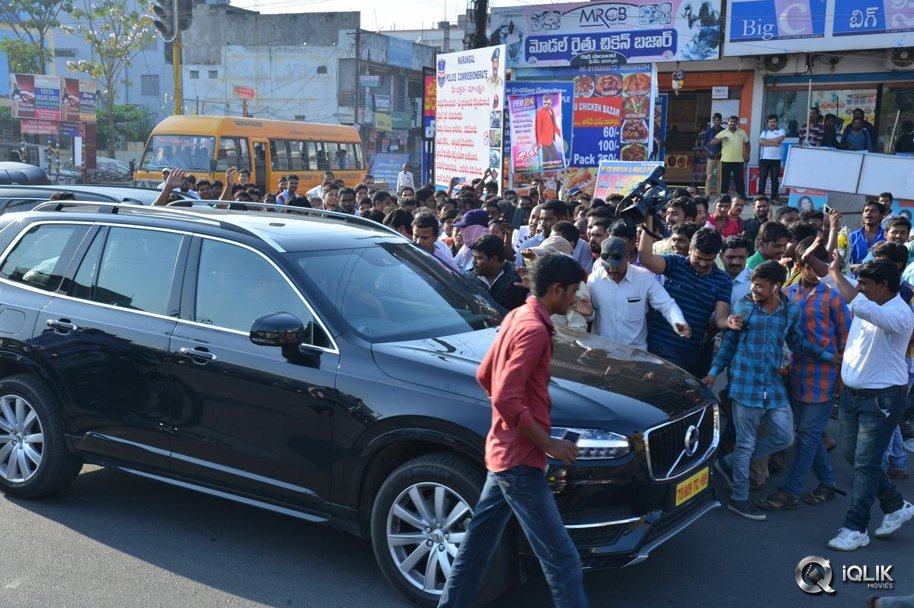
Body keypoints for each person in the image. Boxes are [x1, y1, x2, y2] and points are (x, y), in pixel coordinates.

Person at [437, 253, 589, 608]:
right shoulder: (534, 329)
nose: (575, 299)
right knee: (562, 559)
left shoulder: (517, 316)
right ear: (556, 289)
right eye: (572, 292)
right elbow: (506, 397)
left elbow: (485, 376)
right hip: (520, 461)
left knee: (476, 549)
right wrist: (548, 443)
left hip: (504, 454)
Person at [705, 260, 836, 521]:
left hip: (772, 386)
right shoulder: (743, 306)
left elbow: (797, 343)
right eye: (752, 283)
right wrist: (713, 373)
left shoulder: (790, 311)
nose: (753, 288)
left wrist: (827, 356)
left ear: (776, 287)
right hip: (744, 385)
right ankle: (739, 499)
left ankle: (726, 465)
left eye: (759, 285)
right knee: (745, 445)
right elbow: (729, 345)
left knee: (785, 438)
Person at [825, 257, 914, 550]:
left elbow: (856, 302)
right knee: (855, 457)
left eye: (864, 284)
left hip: (883, 398)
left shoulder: (900, 314)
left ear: (884, 285)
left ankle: (855, 527)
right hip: (852, 394)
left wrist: (837, 273)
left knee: (865, 464)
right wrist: (822, 257)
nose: (859, 288)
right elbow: (839, 285)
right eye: (858, 283)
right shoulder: (868, 298)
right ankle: (895, 504)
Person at [757, 237, 850, 512]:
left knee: (808, 435)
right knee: (808, 433)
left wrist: (842, 380)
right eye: (806, 262)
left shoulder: (832, 297)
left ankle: (790, 491)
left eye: (815, 263)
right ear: (799, 264)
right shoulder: (788, 293)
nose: (811, 268)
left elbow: (845, 341)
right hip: (794, 374)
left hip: (825, 375)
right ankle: (827, 482)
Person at [638, 220, 732, 377]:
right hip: (660, 347)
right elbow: (646, 259)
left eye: (708, 260)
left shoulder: (723, 280)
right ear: (690, 249)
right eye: (698, 257)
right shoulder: (675, 263)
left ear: (716, 256)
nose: (702, 264)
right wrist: (647, 223)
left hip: (691, 353)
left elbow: (721, 318)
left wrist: (729, 322)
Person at [587, 236, 690, 350]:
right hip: (602, 352)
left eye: (616, 265)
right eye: (608, 265)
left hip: (634, 355)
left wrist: (678, 321)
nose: (612, 269)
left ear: (627, 257)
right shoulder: (593, 281)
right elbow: (588, 312)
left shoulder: (644, 278)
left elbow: (666, 304)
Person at [710, 115, 750, 198]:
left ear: (737, 123)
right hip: (726, 160)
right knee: (725, 180)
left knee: (739, 180)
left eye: (734, 122)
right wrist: (721, 138)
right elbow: (712, 142)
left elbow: (747, 144)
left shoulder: (742, 132)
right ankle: (724, 197)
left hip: (739, 161)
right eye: (731, 121)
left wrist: (747, 155)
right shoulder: (723, 132)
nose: (733, 123)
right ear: (728, 122)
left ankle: (741, 197)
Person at [850, 200, 887, 265]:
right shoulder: (852, 236)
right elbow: (844, 264)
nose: (868, 213)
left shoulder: (887, 236)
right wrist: (859, 267)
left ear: (881, 216)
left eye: (873, 211)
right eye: (866, 210)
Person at [454, 209, 491, 274]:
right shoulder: (466, 247)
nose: (461, 232)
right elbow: (452, 266)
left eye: (465, 227)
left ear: (477, 229)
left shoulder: (488, 249)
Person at [758, 115, 786, 200]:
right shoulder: (764, 132)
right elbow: (760, 142)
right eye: (770, 122)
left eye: (774, 122)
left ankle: (774, 197)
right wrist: (773, 144)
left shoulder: (781, 131)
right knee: (762, 178)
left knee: (774, 179)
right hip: (764, 159)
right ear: (767, 123)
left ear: (777, 123)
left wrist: (767, 140)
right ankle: (761, 197)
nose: (772, 123)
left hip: (776, 159)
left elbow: (779, 140)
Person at [535, 94, 562, 166]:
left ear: (551, 102)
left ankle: (545, 173)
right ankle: (553, 170)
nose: (546, 105)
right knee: (555, 156)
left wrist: (560, 135)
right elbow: (538, 128)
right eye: (544, 103)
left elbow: (554, 125)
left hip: (550, 139)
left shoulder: (552, 110)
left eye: (548, 103)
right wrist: (539, 142)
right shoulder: (540, 112)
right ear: (542, 102)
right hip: (544, 140)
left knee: (546, 158)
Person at [704, 113, 725, 196]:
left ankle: (719, 194)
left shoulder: (723, 131)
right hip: (711, 157)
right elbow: (704, 144)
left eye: (718, 120)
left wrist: (722, 151)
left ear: (721, 121)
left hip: (720, 157)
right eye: (715, 120)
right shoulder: (709, 131)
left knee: (719, 177)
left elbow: (726, 144)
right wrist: (709, 151)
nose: (717, 121)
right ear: (713, 121)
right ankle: (707, 195)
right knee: (709, 177)